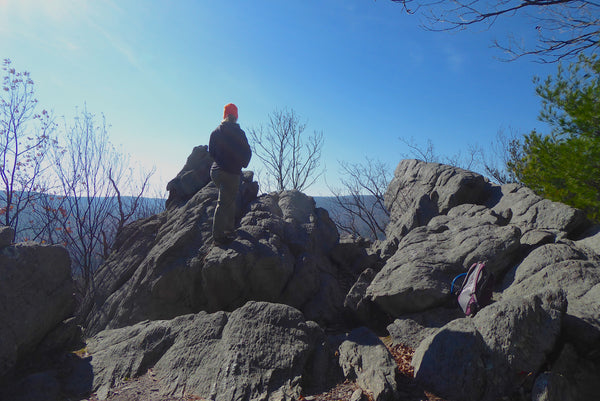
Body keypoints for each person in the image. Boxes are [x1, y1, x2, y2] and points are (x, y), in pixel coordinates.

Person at [208, 103, 252, 245]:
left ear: (225, 115)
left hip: (215, 172)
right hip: (231, 173)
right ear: (236, 117)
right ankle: (218, 236)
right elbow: (247, 153)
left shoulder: (215, 132)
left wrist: (220, 162)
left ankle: (228, 229)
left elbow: (212, 153)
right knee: (224, 202)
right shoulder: (239, 133)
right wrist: (241, 164)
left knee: (228, 200)